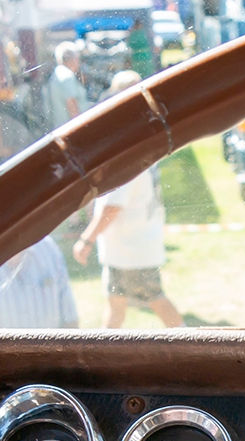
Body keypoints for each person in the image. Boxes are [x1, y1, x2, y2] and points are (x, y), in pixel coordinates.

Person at [72, 72, 184, 327]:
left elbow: (113, 206)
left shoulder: (129, 148)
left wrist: (86, 239)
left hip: (132, 249)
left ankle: (192, 343)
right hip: (130, 246)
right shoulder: (144, 138)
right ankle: (102, 354)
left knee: (154, 299)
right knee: (116, 304)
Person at [43, 42, 88, 131]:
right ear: (72, 59)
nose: (79, 63)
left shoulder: (56, 75)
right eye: (78, 59)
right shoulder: (67, 76)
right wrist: (81, 130)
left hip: (61, 128)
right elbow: (71, 103)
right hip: (71, 129)